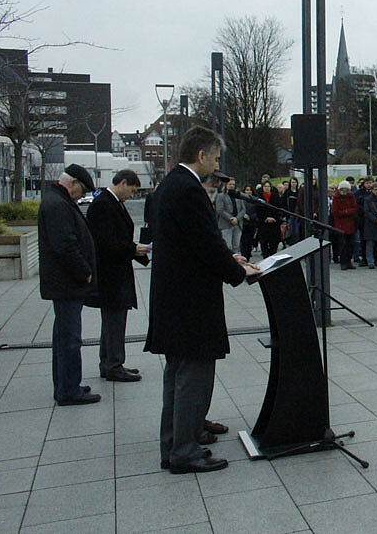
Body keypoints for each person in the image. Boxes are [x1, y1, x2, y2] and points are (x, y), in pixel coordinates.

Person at [144, 126, 260, 474]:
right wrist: (239, 271)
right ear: (201, 156)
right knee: (192, 380)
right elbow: (206, 244)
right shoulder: (189, 190)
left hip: (173, 300)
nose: (217, 164)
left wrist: (229, 258)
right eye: (216, 158)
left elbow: (192, 242)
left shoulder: (169, 185)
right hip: (190, 305)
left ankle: (172, 447)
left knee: (176, 379)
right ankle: (185, 452)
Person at [39, 163, 100, 406]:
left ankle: (67, 384)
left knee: (64, 337)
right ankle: (69, 390)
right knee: (69, 339)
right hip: (67, 283)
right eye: (82, 190)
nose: (81, 196)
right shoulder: (58, 205)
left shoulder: (57, 200)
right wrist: (84, 272)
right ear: (72, 183)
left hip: (64, 283)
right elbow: (65, 245)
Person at [85, 169, 150, 383]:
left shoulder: (112, 202)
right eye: (132, 190)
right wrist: (133, 249)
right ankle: (113, 365)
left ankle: (109, 363)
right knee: (114, 321)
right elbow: (105, 242)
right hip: (110, 274)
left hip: (116, 272)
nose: (132, 195)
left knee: (112, 321)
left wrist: (136, 251)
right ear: (122, 183)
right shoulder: (104, 204)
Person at [331, 181, 358, 269]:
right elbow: (335, 212)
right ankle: (343, 262)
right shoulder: (336, 198)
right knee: (343, 244)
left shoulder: (351, 197)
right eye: (343, 189)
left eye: (346, 190)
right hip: (340, 225)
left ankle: (349, 261)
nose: (344, 191)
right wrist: (346, 212)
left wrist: (345, 212)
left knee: (351, 244)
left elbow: (355, 208)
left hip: (350, 224)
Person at [215, 178, 246, 253]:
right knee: (228, 246)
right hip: (226, 224)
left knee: (236, 246)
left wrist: (237, 219)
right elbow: (220, 210)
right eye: (230, 184)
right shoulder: (221, 196)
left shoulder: (238, 196)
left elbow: (243, 209)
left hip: (238, 224)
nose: (232, 186)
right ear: (226, 185)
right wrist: (231, 218)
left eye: (233, 184)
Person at [255, 180, 281, 258]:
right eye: (265, 186)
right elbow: (258, 210)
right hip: (263, 224)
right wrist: (265, 218)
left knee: (274, 244)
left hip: (274, 224)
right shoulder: (259, 198)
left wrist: (274, 218)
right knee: (264, 244)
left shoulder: (275, 196)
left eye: (268, 186)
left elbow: (278, 208)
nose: (267, 188)